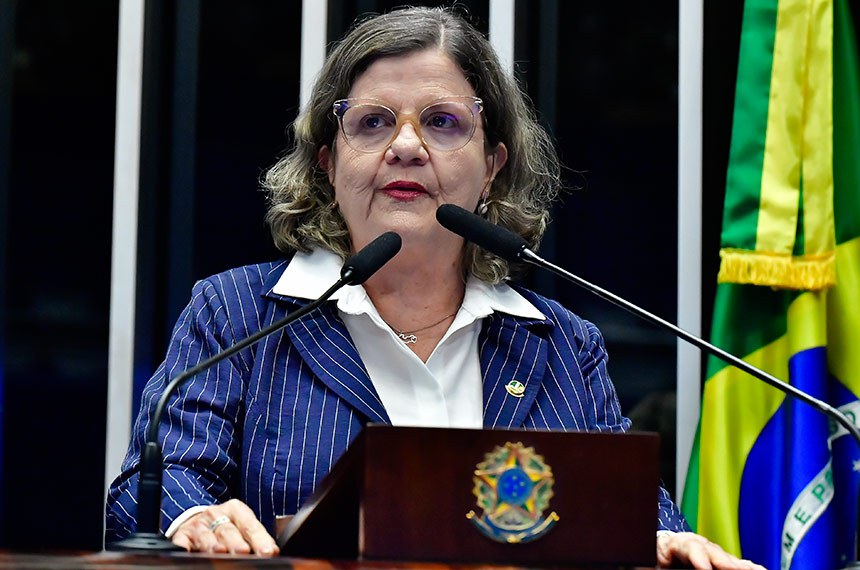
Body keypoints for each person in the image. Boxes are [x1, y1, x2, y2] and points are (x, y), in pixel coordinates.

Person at [105, 6, 764, 569]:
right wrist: (191, 516)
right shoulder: (239, 315)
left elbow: (631, 507)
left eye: (443, 123)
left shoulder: (563, 341)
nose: (407, 146)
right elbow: (149, 487)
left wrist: (665, 542)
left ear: (492, 168)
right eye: (372, 122)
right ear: (329, 165)